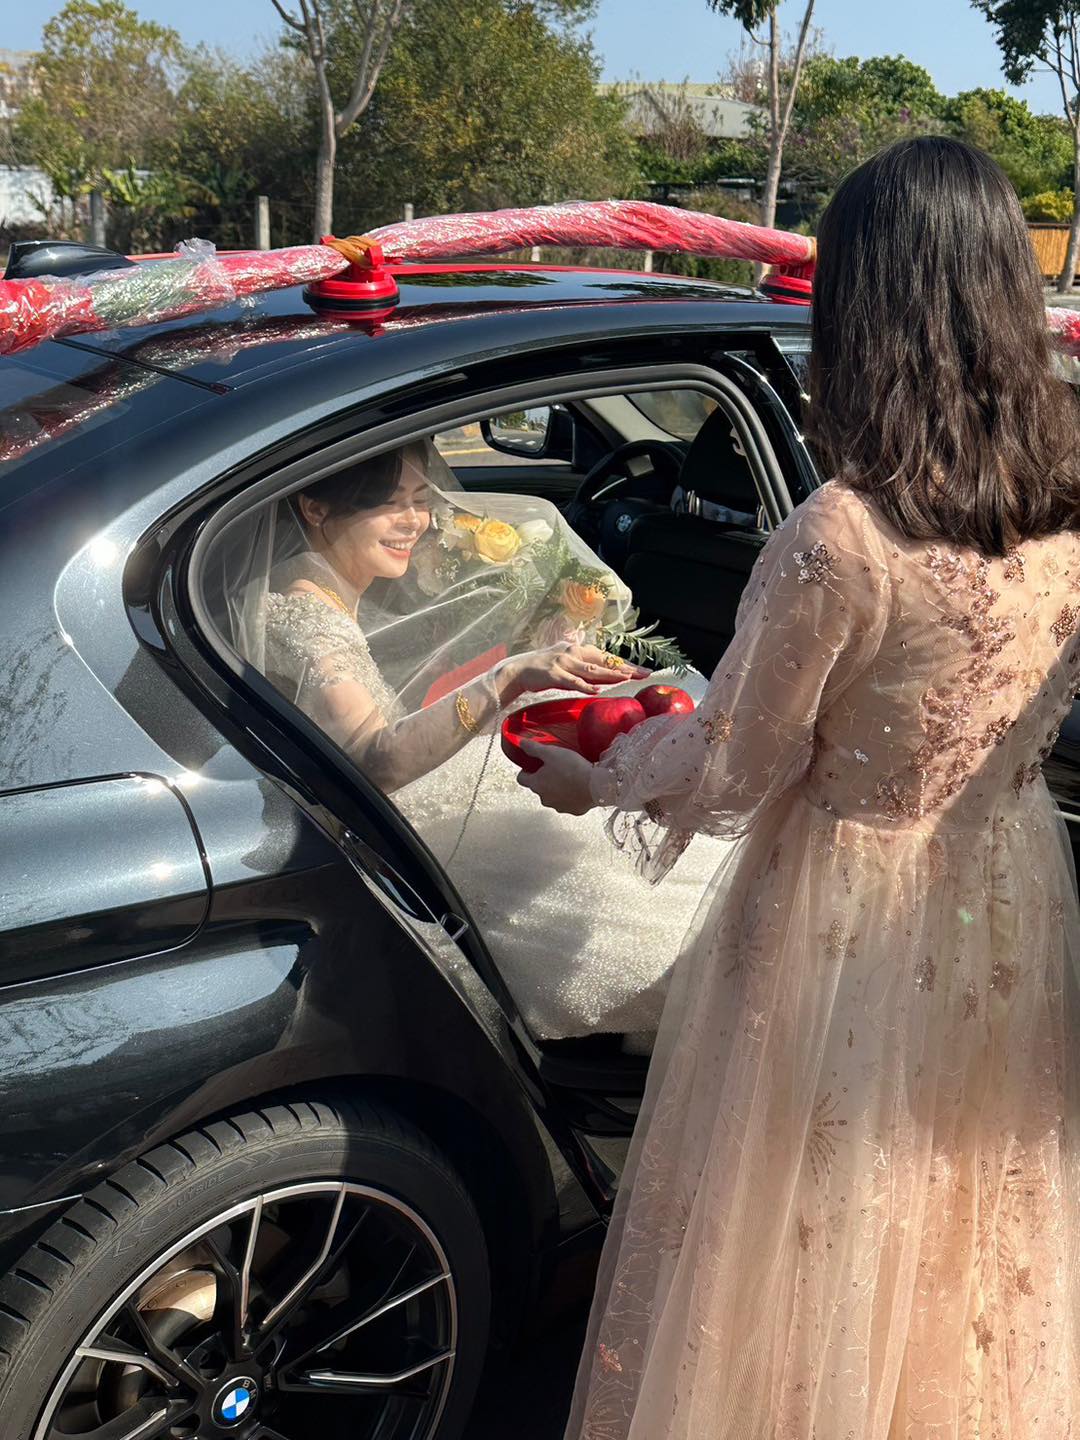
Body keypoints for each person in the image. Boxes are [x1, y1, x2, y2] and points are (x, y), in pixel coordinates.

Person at [521, 136, 1080, 1439]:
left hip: (846, 907)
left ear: (861, 306)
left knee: (807, 1210)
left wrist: (595, 768)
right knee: (956, 1198)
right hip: (1006, 883)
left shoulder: (844, 532)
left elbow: (733, 768)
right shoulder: (1062, 503)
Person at [218, 437, 725, 1046]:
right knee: (677, 909)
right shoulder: (309, 619)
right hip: (404, 836)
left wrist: (531, 660)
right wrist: (506, 678)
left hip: (397, 811)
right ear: (315, 507)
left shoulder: (322, 588)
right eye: (390, 504)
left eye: (420, 500)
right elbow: (376, 761)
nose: (415, 521)